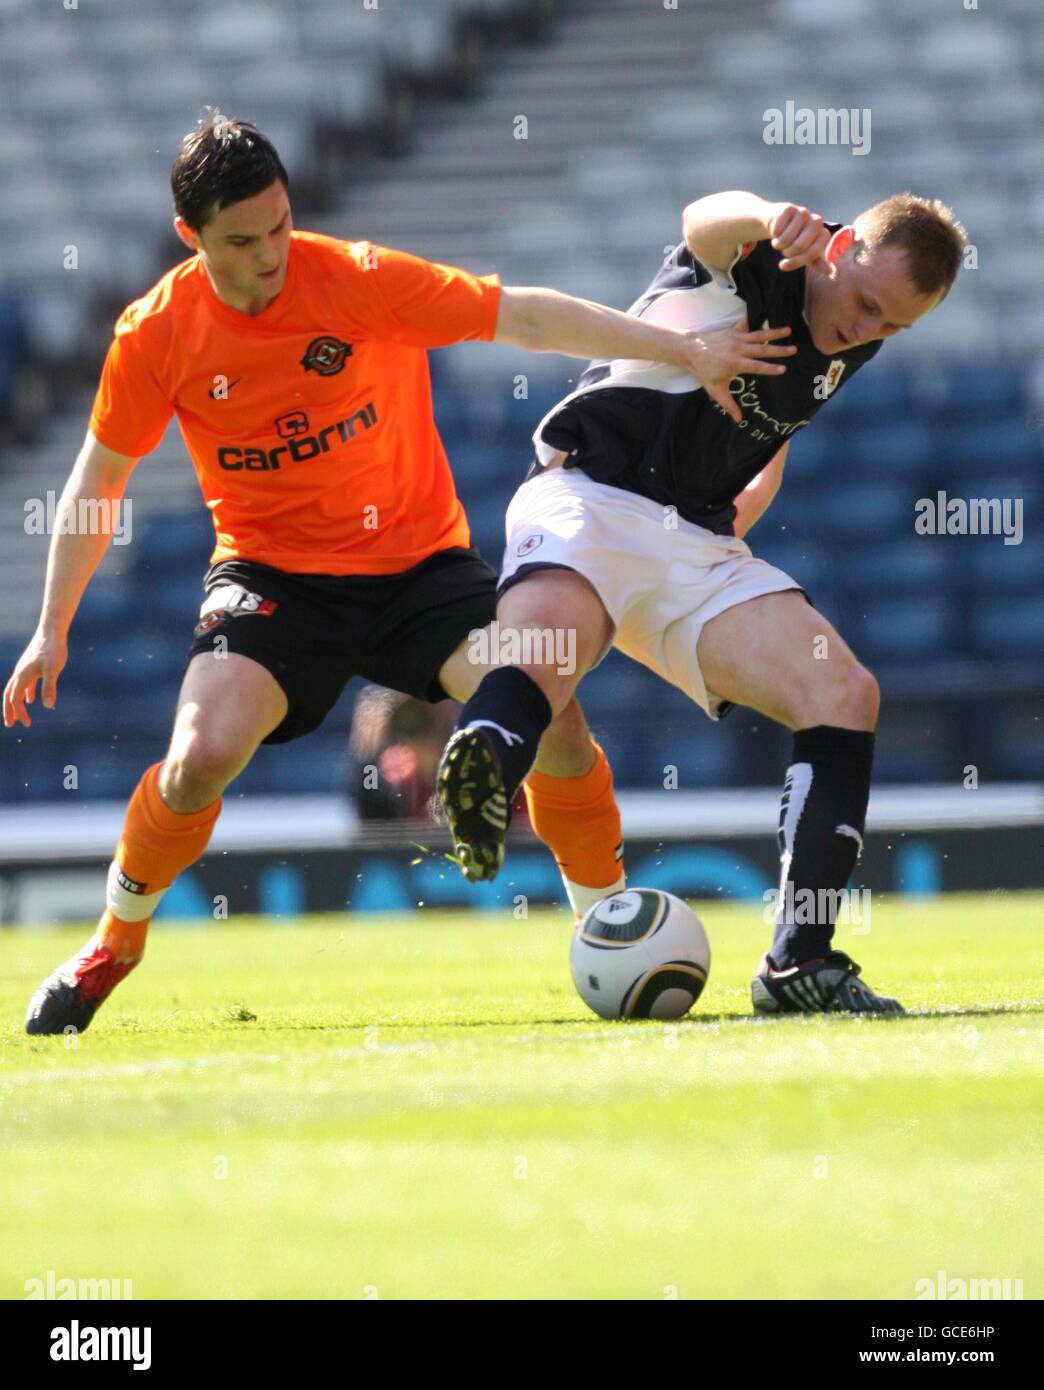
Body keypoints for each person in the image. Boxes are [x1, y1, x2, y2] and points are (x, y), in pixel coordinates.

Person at [3, 116, 792, 1035]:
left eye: (281, 226)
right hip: (272, 578)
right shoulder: (156, 335)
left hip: (420, 568)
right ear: (192, 237)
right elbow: (99, 480)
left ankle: (605, 921)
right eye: (242, 241)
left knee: (552, 715)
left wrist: (684, 350)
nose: (270, 256)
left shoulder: (355, 280)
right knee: (196, 762)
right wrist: (52, 625)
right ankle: (114, 944)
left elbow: (525, 314)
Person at [438, 191, 967, 1016]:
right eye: (866, 304)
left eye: (892, 327)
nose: (867, 329)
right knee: (548, 653)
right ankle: (483, 771)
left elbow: (775, 425)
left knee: (843, 693)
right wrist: (766, 212)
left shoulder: (852, 333)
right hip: (594, 493)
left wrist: (748, 492)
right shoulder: (775, 252)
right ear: (839, 247)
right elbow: (700, 221)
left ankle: (799, 965)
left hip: (696, 542)